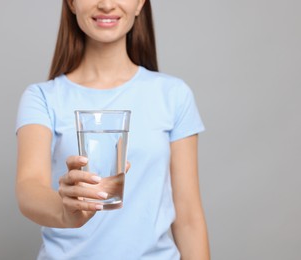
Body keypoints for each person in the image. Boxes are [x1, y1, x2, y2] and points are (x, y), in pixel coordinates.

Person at [15, 0, 210, 259]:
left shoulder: (173, 95)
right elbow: (29, 188)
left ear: (140, 3)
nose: (107, 4)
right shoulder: (42, 97)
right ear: (72, 3)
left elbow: (188, 217)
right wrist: (66, 209)